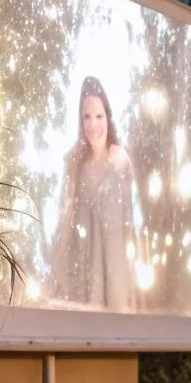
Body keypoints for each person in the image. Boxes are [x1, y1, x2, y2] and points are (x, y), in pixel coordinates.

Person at [52, 76, 137, 310]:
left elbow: (129, 227)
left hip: (115, 279)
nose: (92, 124)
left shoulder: (120, 161)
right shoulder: (75, 163)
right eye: (86, 117)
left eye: (99, 116)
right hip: (83, 282)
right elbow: (67, 223)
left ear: (107, 116)